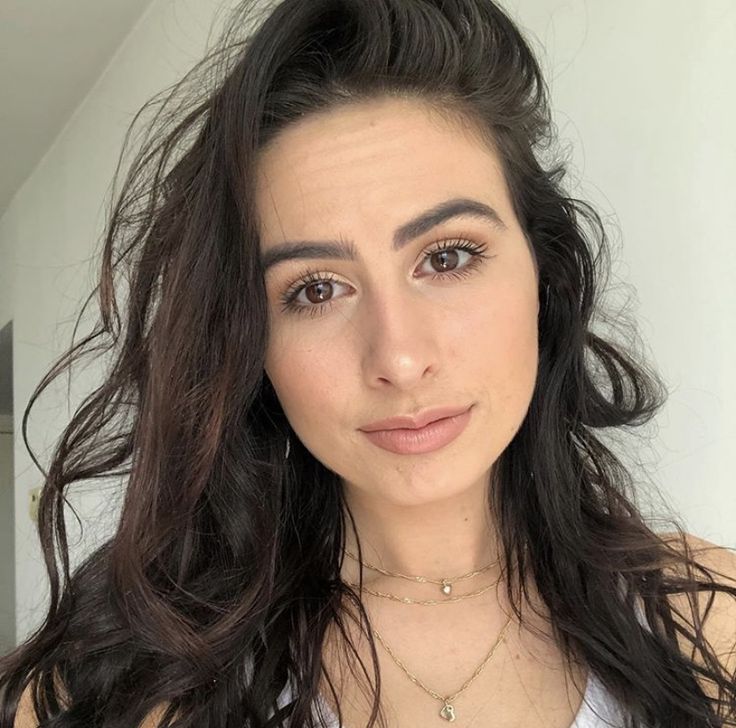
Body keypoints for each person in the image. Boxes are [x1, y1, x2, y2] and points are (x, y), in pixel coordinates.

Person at [3, 0, 736, 726]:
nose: (400, 357)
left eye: (447, 257)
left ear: (544, 275)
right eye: (315, 289)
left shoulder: (710, 625)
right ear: (249, 341)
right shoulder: (127, 680)